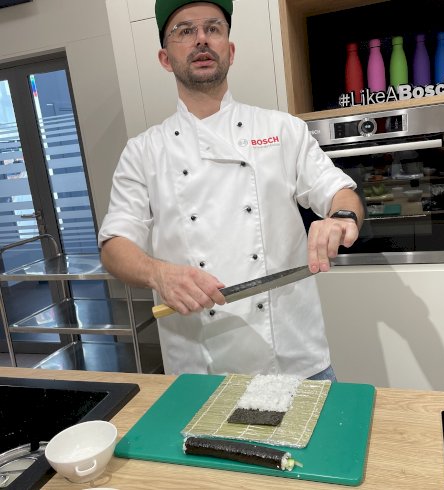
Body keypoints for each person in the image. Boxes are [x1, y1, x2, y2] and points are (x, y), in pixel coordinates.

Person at [98, 0, 364, 380]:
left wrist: (340, 218)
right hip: (198, 370)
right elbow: (114, 245)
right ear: (165, 58)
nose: (201, 39)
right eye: (185, 31)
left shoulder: (282, 130)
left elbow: (341, 193)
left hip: (295, 359)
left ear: (230, 50)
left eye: (213, 28)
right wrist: (158, 274)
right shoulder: (144, 151)